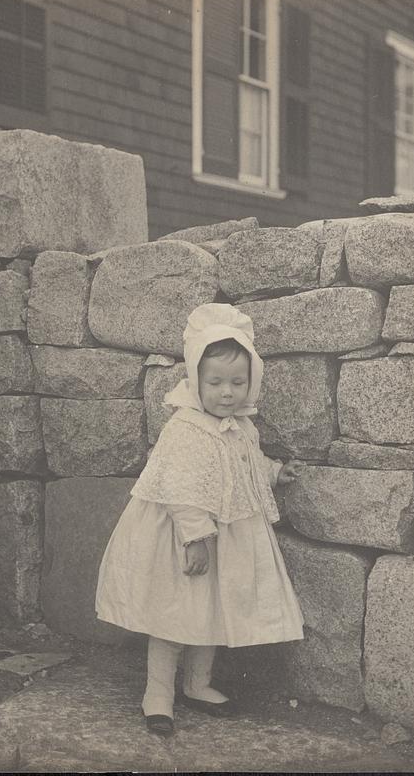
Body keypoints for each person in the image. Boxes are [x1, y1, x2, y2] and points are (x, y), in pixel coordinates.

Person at [95, 302, 305, 738]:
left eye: (237, 382)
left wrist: (272, 472)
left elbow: (243, 463)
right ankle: (157, 694)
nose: (226, 393)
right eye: (215, 383)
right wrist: (195, 538)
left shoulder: (241, 427)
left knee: (211, 610)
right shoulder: (186, 428)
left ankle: (197, 684)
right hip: (184, 537)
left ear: (251, 382)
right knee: (172, 613)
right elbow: (181, 487)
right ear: (196, 380)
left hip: (228, 534)